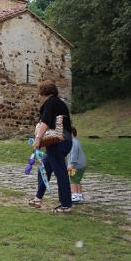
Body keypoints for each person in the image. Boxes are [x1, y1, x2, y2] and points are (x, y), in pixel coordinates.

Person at [28, 80, 74, 213]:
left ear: (42, 92)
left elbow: (46, 122)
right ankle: (38, 198)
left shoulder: (50, 103)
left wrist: (37, 139)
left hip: (57, 142)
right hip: (64, 141)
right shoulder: (59, 103)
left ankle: (66, 205)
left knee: (60, 172)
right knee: (44, 168)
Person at [67, 126, 87, 203]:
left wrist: (71, 165)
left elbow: (74, 155)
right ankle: (80, 195)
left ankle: (75, 195)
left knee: (72, 180)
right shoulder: (76, 141)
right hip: (81, 165)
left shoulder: (73, 142)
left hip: (76, 166)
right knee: (77, 180)